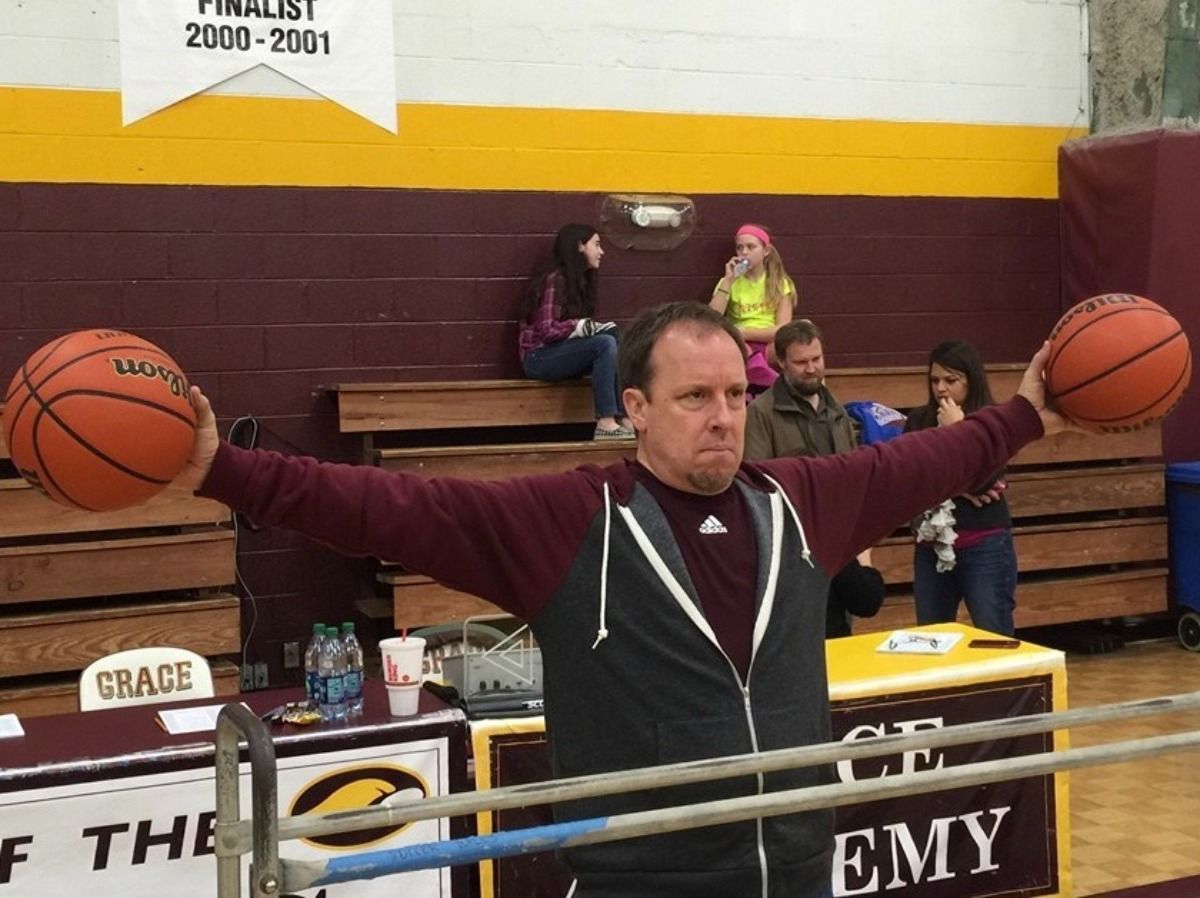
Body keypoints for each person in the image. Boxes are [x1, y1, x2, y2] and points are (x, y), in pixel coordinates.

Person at [176, 302, 1066, 898]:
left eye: (735, 394)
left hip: (797, 871)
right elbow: (388, 507)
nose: (724, 415)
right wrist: (224, 469)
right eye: (694, 397)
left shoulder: (801, 502)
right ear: (634, 405)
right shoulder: (571, 518)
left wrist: (1025, 412)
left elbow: (928, 459)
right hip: (642, 884)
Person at [744, 318, 884, 637]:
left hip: (840, 543)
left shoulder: (837, 412)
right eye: (801, 362)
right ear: (781, 363)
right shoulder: (761, 414)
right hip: (795, 551)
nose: (811, 369)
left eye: (816, 359)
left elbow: (854, 479)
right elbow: (757, 485)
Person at [903, 339, 1018, 636]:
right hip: (931, 546)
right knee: (931, 638)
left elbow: (986, 481)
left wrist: (958, 432)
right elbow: (912, 481)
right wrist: (959, 482)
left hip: (984, 544)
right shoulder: (919, 420)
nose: (941, 388)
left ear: (971, 380)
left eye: (951, 380)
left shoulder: (993, 419)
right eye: (935, 380)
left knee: (994, 634)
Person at [519, 223, 632, 439]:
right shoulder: (556, 280)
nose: (602, 251)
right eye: (597, 244)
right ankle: (605, 422)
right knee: (604, 343)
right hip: (538, 357)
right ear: (580, 246)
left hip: (559, 354)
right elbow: (547, 330)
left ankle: (624, 418)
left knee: (614, 338)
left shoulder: (581, 282)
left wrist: (592, 328)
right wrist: (581, 327)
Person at [708, 223, 797, 394]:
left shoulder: (780, 283)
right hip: (741, 345)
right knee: (739, 349)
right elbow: (711, 318)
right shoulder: (729, 282)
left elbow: (782, 329)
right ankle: (762, 380)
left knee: (802, 340)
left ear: (766, 251)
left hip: (768, 344)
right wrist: (728, 281)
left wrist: (744, 332)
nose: (744, 252)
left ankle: (819, 401)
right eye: (740, 248)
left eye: (751, 247)